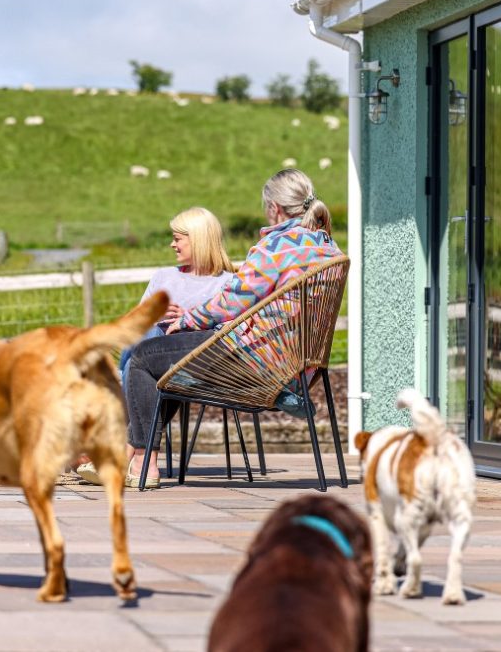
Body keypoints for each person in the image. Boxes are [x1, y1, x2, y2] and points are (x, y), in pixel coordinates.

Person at [119, 168, 340, 488]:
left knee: (143, 358)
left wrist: (186, 321)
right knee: (162, 358)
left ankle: (142, 460)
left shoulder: (276, 247)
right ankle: (133, 454)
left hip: (251, 360)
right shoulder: (328, 248)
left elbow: (233, 302)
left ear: (274, 209)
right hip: (298, 368)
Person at [75, 207, 233, 485]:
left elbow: (223, 337)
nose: (172, 244)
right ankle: (136, 457)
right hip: (150, 360)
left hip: (192, 365)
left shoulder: (227, 284)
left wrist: (190, 321)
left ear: (198, 239)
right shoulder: (164, 276)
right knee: (148, 336)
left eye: (178, 238)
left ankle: (122, 451)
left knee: (150, 372)